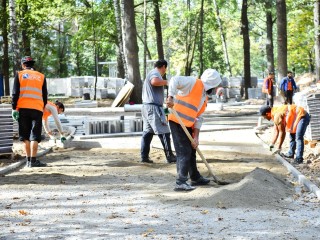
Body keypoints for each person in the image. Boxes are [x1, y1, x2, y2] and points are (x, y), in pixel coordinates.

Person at [166, 69, 222, 191]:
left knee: (191, 150)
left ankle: (195, 177)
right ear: (212, 84)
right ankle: (181, 182)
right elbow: (175, 80)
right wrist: (170, 97)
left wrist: (196, 137)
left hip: (189, 125)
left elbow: (198, 118)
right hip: (176, 120)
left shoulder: (204, 98)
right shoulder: (192, 82)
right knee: (183, 151)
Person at [11, 56, 48, 167]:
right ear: (33, 65)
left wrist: (14, 108)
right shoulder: (41, 76)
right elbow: (44, 95)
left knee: (25, 136)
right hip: (37, 109)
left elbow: (15, 93)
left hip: (22, 109)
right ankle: (33, 161)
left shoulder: (19, 74)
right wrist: (43, 106)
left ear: (23, 65)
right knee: (35, 136)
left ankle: (28, 161)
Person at [140, 59, 176, 163]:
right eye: (165, 69)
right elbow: (154, 82)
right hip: (154, 107)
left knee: (148, 132)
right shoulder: (155, 73)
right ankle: (170, 156)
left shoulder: (152, 73)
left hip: (148, 107)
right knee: (164, 131)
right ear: (164, 66)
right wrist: (168, 82)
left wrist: (166, 112)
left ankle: (144, 157)